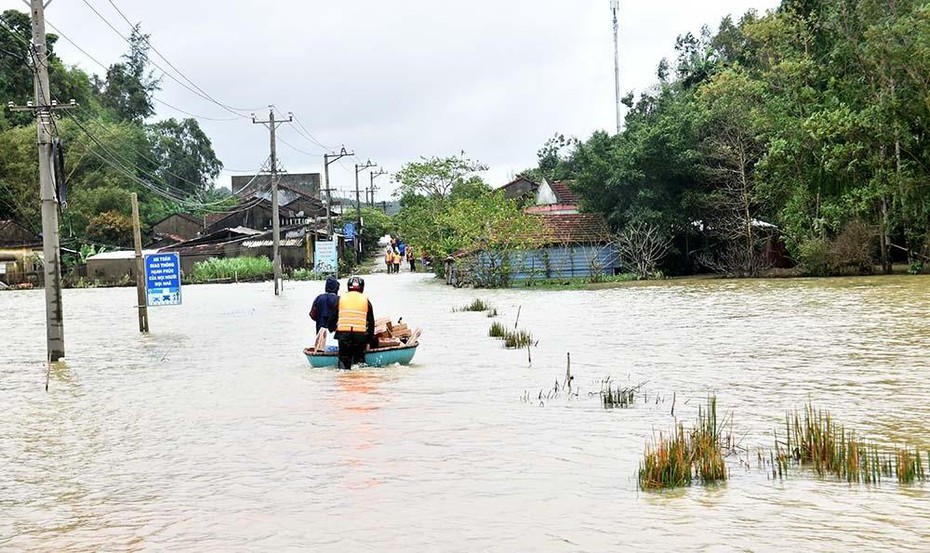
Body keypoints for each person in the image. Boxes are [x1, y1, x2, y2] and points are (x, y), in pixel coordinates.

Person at [327, 276, 377, 370]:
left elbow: (332, 319)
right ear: (362, 287)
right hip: (360, 337)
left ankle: (345, 378)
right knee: (359, 363)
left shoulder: (341, 299)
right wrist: (369, 340)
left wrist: (331, 329)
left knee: (343, 361)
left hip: (343, 336)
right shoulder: (366, 301)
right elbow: (371, 323)